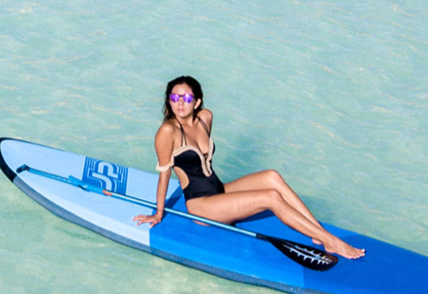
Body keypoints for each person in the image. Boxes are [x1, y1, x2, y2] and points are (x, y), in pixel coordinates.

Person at [134, 77, 365, 259]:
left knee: (272, 177)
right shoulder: (168, 132)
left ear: (197, 102)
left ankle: (319, 233)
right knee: (271, 198)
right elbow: (164, 174)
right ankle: (331, 240)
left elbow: (203, 160)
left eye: (186, 97)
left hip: (219, 189)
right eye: (174, 97)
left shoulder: (206, 117)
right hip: (201, 206)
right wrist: (158, 213)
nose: (180, 103)